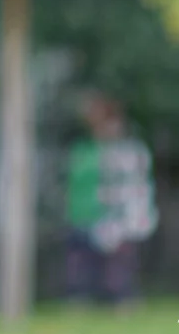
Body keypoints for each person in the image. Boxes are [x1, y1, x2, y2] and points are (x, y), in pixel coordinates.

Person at [64, 93, 157, 306]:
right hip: (84, 215)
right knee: (82, 265)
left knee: (120, 265)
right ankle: (81, 302)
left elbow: (137, 188)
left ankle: (123, 302)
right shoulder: (84, 150)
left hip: (122, 220)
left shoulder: (130, 151)